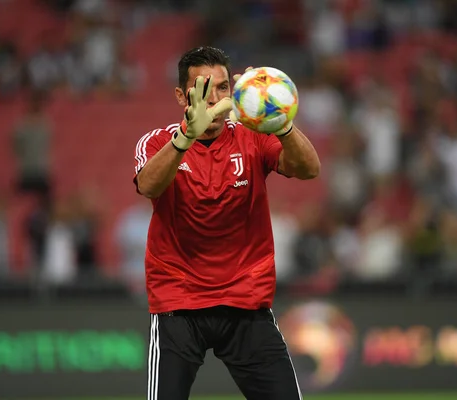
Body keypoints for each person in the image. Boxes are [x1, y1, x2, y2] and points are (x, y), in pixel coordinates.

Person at [133, 46, 320, 400]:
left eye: (222, 88)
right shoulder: (158, 142)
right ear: (181, 95)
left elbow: (309, 169)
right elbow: (148, 185)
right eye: (203, 89)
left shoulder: (252, 136)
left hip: (245, 301)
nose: (215, 99)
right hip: (179, 302)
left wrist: (281, 122)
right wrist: (186, 136)